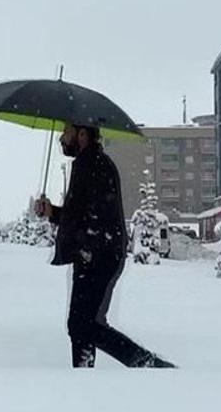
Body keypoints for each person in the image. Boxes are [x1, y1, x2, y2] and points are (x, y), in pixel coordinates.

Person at [35, 123, 175, 369]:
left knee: (84, 324)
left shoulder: (92, 164)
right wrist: (52, 212)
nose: (61, 138)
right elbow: (78, 214)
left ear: (82, 134)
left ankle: (145, 363)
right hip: (95, 252)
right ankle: (85, 373)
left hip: (99, 255)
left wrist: (82, 240)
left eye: (66, 132)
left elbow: (89, 215)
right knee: (82, 324)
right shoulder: (90, 163)